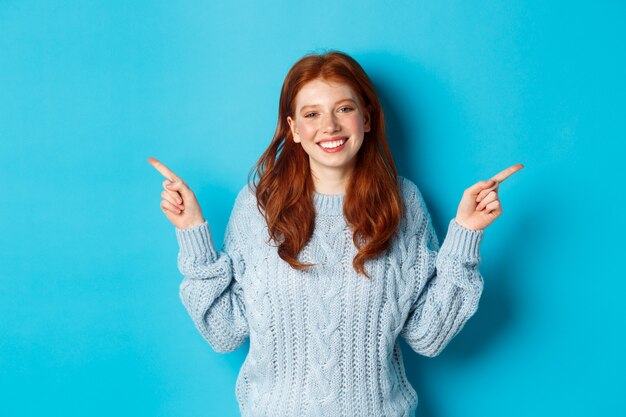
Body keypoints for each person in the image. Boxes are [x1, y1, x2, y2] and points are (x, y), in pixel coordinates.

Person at [148, 50, 523, 417]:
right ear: (294, 128)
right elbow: (224, 331)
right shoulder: (258, 206)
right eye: (312, 114)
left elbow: (428, 336)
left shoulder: (402, 202)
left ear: (368, 118)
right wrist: (192, 233)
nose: (329, 126)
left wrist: (466, 236)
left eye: (344, 109)